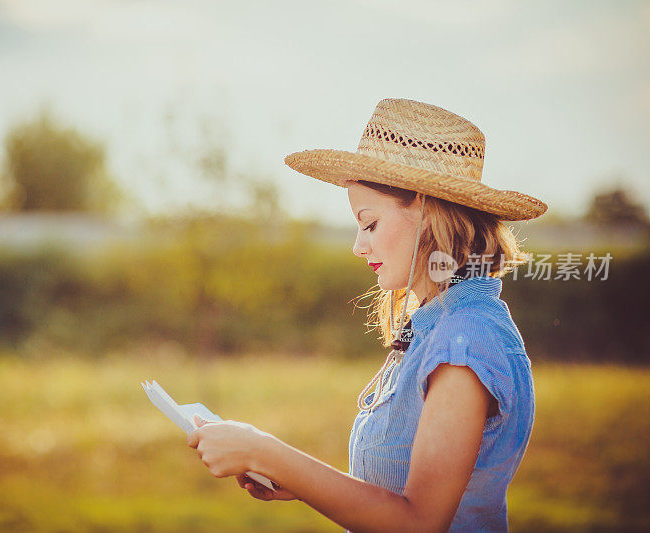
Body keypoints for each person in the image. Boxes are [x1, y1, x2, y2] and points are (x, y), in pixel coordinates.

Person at [186, 98, 547, 532]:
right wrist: (300, 482)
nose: (359, 246)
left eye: (370, 224)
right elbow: (398, 493)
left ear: (429, 214)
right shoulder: (440, 323)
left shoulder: (463, 341)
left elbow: (420, 523)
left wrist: (264, 451)